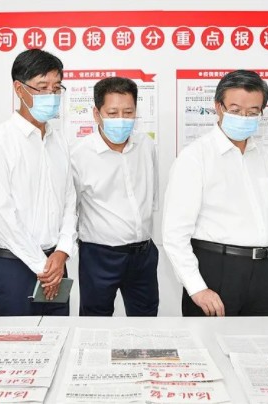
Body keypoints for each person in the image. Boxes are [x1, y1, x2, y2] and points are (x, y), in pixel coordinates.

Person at [163, 70, 268, 317]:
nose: (244, 118)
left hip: (262, 273)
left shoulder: (265, 158)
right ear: (219, 107)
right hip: (216, 271)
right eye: (235, 110)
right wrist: (196, 288)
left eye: (253, 112)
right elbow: (175, 233)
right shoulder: (195, 157)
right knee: (209, 340)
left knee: (259, 340)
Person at [0, 49, 77, 316]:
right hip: (12, 268)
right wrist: (43, 267)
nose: (51, 95)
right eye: (42, 87)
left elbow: (70, 202)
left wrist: (63, 252)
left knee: (57, 339)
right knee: (13, 340)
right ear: (19, 89)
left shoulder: (59, 142)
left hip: (55, 265)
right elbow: (2, 216)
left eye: (56, 88)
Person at [70, 77, 159, 317]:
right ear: (96, 114)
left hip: (144, 254)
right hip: (99, 256)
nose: (121, 119)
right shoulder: (79, 155)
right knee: (95, 321)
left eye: (128, 112)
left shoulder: (146, 145)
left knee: (147, 320)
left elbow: (152, 195)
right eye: (112, 113)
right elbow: (70, 210)